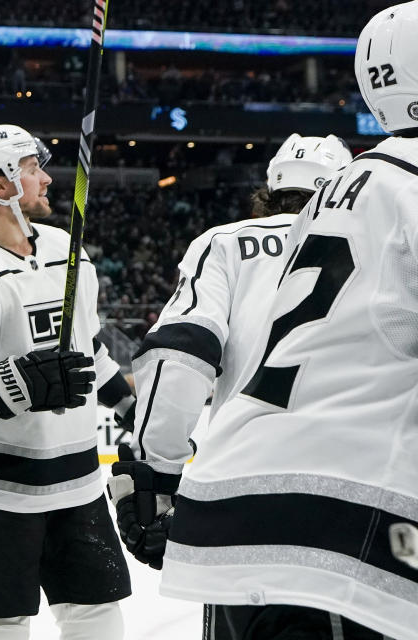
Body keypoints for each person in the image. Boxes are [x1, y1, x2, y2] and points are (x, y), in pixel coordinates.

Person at [107, 4, 418, 639]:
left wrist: (152, 469)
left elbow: (179, 351)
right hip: (348, 521)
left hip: (232, 504)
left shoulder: (328, 204)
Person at [106, 132, 351, 633]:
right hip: (351, 495)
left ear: (273, 190)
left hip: (240, 492)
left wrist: (159, 470)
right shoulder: (382, 245)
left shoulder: (225, 243)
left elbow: (178, 355)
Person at [0, 125, 134, 640]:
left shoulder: (68, 250)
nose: (46, 179)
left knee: (98, 612)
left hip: (80, 481)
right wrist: (1, 392)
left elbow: (90, 348)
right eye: (31, 169)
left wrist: (132, 408)